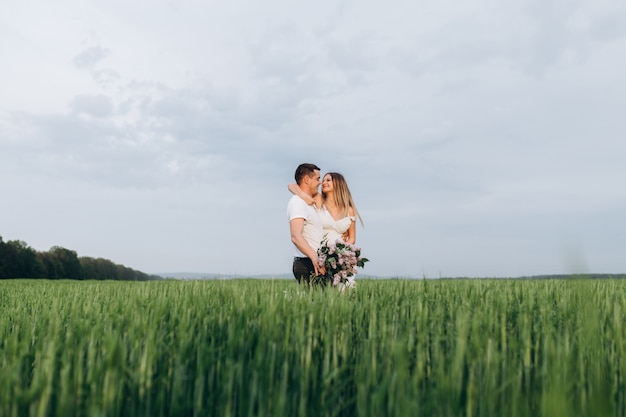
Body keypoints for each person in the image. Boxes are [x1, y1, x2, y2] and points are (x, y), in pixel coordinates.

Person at [288, 171, 363, 245]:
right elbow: (291, 186)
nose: (323, 183)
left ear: (338, 183)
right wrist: (303, 195)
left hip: (339, 254)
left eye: (328, 180)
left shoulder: (349, 210)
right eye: (323, 180)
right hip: (318, 253)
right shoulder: (318, 200)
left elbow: (352, 238)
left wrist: (341, 251)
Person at [287, 163, 326, 284]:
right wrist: (314, 258)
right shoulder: (297, 202)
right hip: (308, 263)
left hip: (316, 262)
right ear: (307, 180)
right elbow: (295, 236)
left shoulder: (310, 202)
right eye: (318, 178)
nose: (320, 182)